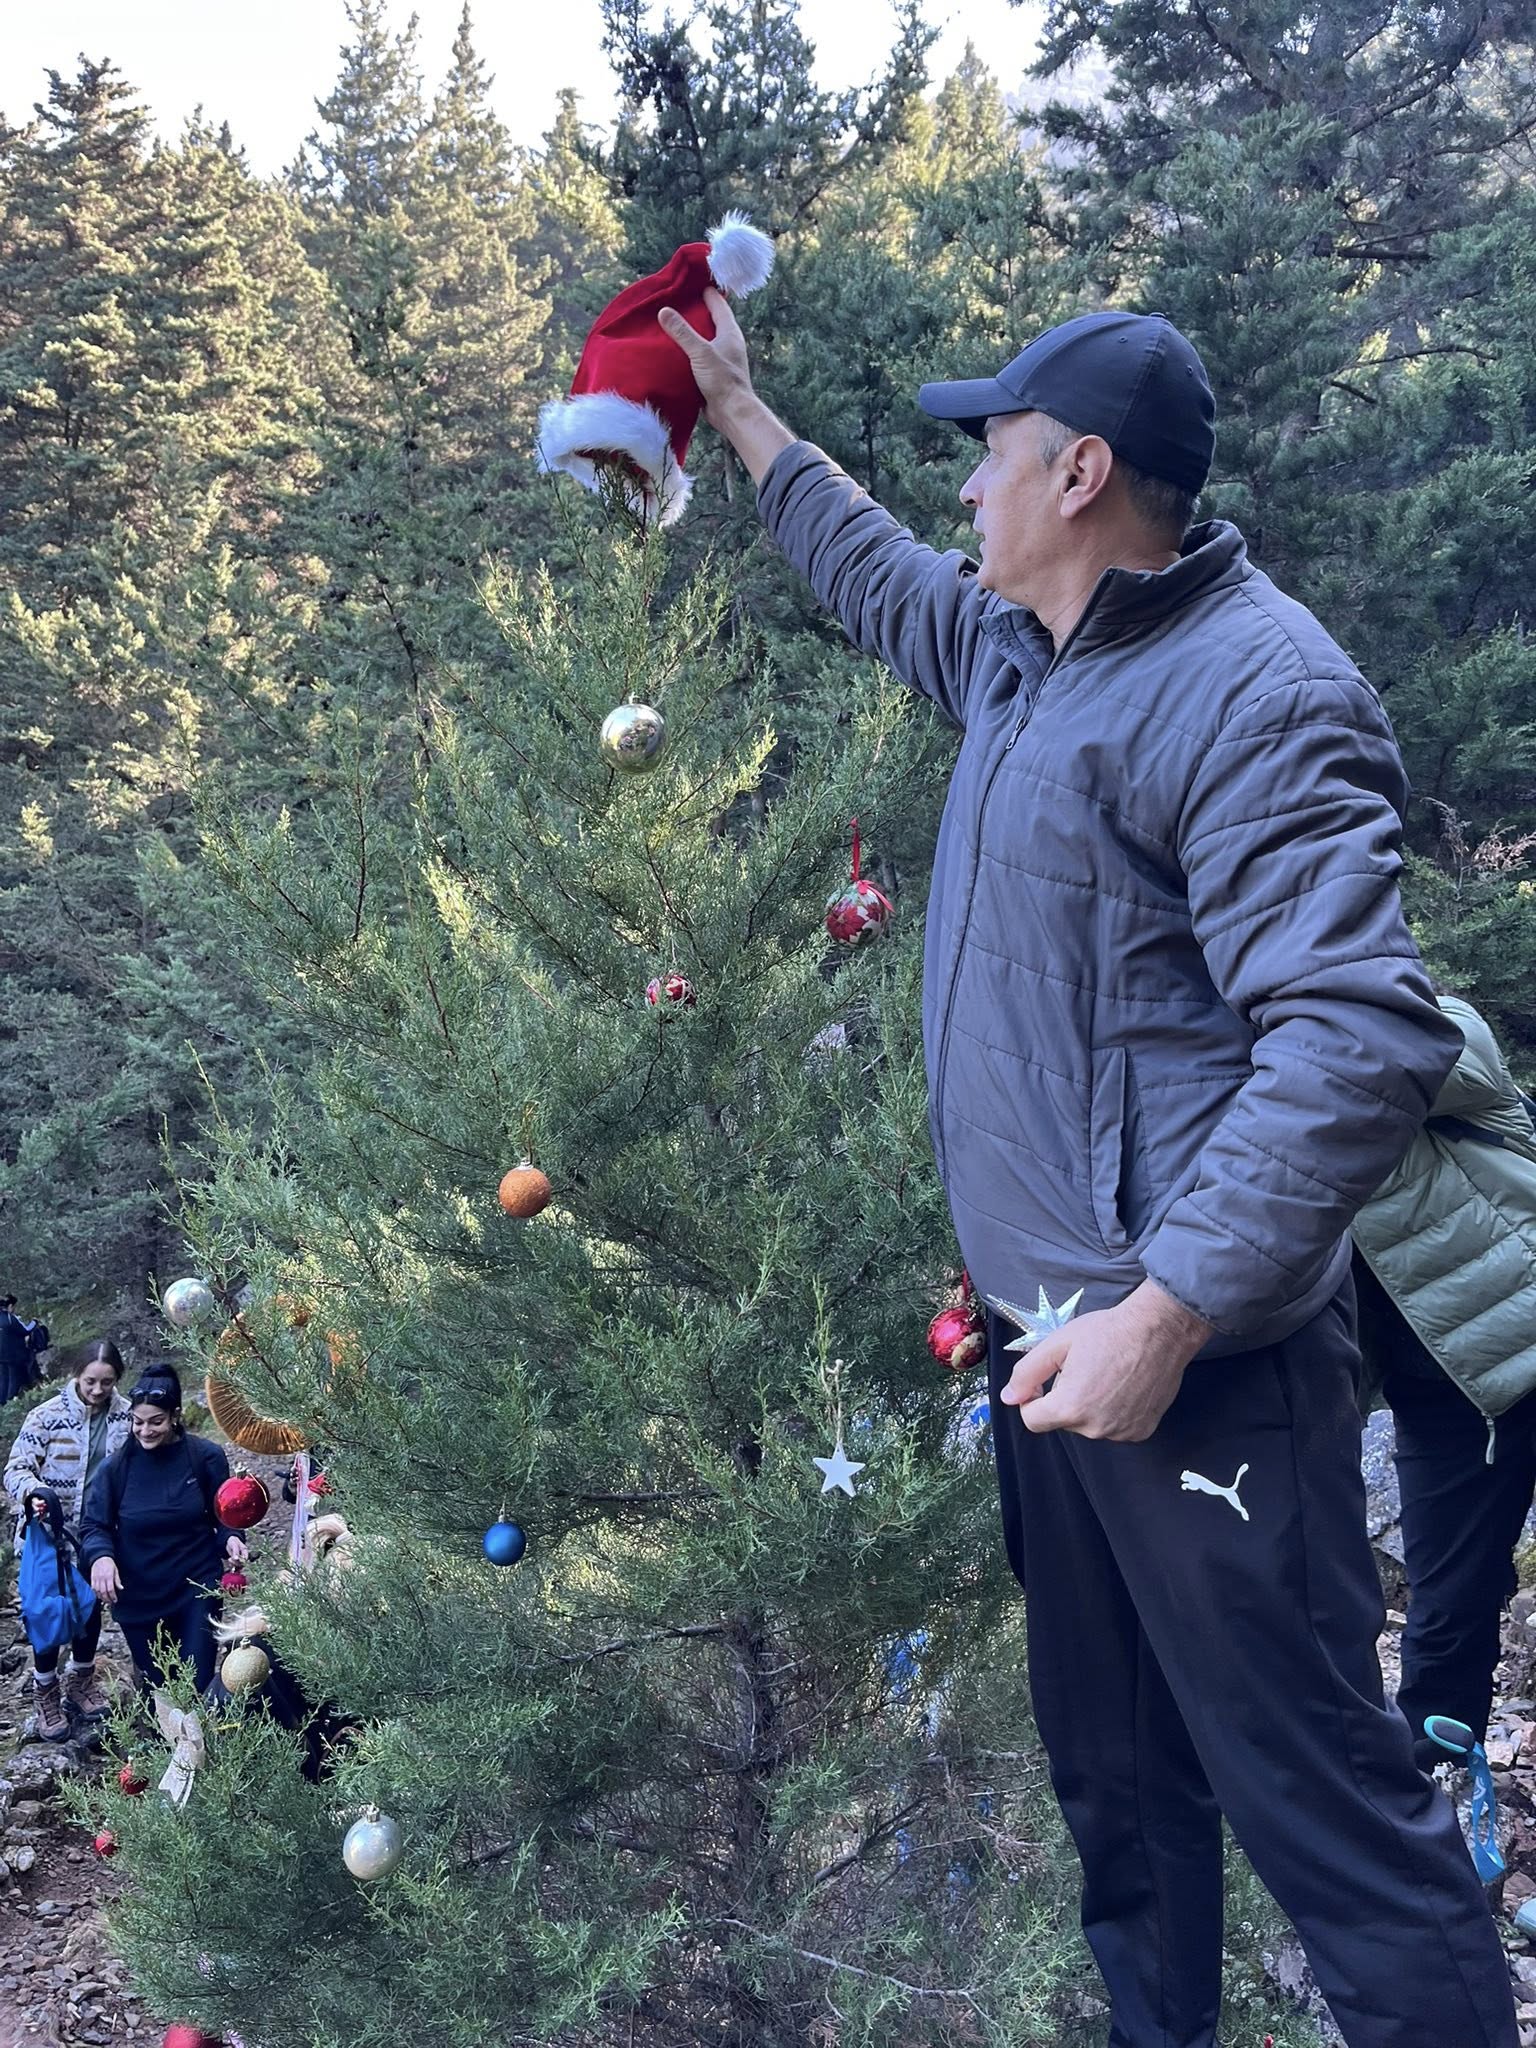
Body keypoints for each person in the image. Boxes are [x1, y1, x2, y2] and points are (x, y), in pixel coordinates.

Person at [655, 298, 1518, 2044]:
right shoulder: (1015, 647)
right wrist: (739, 413)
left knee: (1335, 1818)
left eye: (991, 451)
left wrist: (1167, 1314)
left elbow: (1358, 1034)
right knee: (1121, 1808)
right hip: (1050, 1348)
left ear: (1080, 473)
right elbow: (875, 572)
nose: (967, 486)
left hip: (1198, 1370)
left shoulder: (1263, 692)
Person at [1352, 991, 1536, 1772]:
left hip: (1526, 1332)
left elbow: (1445, 1057)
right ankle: (1438, 1786)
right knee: (1446, 1609)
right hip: (1446, 1401)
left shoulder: (1435, 1021)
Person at [79, 1363, 247, 1693]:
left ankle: (207, 1726)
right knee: (162, 1690)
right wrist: (101, 1557)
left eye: (156, 1422)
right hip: (138, 1596)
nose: (145, 1431)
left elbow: (224, 1516)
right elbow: (94, 1525)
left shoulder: (205, 1457)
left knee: (196, 1684)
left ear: (175, 1416)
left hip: (196, 1586)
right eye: (137, 1422)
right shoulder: (115, 1469)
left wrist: (231, 1539)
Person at [4, 1338, 133, 1737]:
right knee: (48, 1610)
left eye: (107, 1382)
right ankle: (45, 1689)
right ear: (77, 1374)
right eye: (91, 1381)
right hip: (49, 1535)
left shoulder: (127, 1417)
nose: (98, 1389)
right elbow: (16, 1469)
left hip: (99, 1532)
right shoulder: (46, 1416)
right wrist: (34, 1493)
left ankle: (80, 1680)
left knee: (91, 1606)